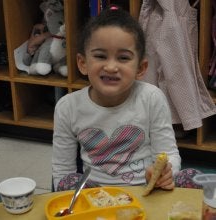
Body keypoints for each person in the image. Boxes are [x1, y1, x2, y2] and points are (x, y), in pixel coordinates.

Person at [52, 5, 181, 192]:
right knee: (67, 183)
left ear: (141, 68)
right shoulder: (67, 107)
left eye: (123, 58)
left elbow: (167, 154)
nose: (111, 67)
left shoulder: (152, 98)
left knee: (191, 178)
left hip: (147, 191)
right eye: (100, 56)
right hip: (94, 194)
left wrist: (165, 173)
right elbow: (63, 171)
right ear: (82, 63)